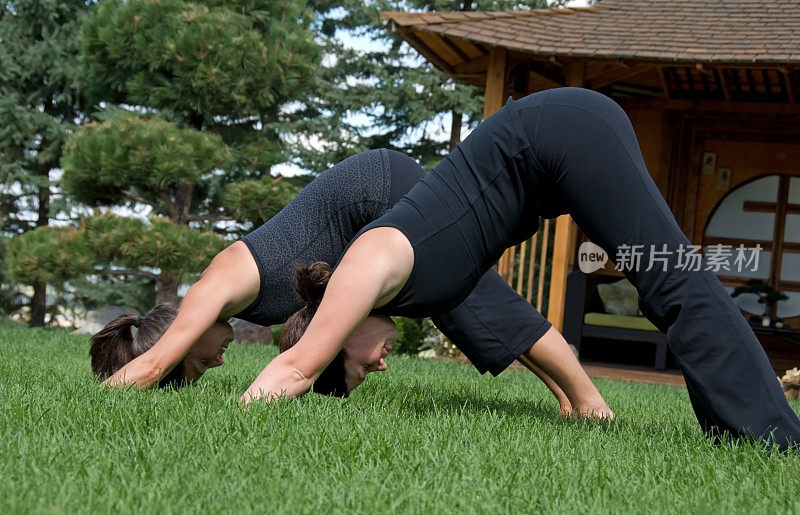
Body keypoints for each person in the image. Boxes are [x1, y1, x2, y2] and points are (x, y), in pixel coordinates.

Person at [242, 87, 800, 452]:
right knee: (668, 277)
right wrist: (577, 398)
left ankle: (771, 438)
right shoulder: (411, 292)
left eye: (358, 368)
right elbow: (509, 322)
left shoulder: (367, 265)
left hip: (556, 134)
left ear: (335, 333)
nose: (380, 368)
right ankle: (742, 434)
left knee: (672, 277)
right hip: (553, 151)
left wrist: (227, 415)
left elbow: (295, 369)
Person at [98, 145, 612, 418]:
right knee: (455, 297)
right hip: (370, 207)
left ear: (176, 336)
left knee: (468, 299)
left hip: (377, 190)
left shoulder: (216, 284)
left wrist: (108, 398)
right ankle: (567, 399)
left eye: (197, 363)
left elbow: (155, 365)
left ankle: (589, 402)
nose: (213, 363)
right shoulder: (245, 306)